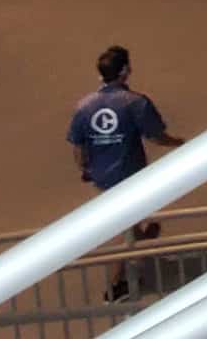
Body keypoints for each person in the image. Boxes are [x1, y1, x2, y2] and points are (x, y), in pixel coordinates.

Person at [68, 45, 184, 299]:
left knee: (130, 225)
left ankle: (144, 238)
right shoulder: (136, 103)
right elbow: (156, 136)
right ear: (125, 71)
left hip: (102, 179)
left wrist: (86, 170)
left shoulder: (84, 106)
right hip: (130, 178)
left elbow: (78, 146)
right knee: (129, 233)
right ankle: (114, 287)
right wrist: (179, 143)